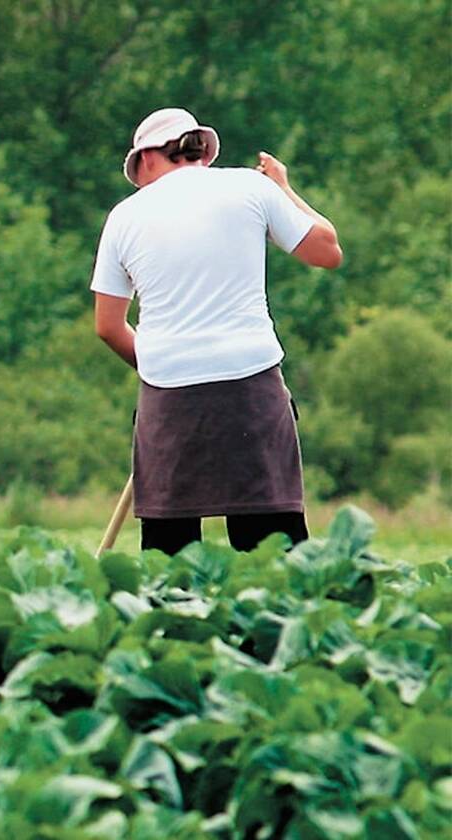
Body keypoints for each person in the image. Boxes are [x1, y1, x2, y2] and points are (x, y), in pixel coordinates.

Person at [90, 107, 343, 555]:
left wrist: (158, 363)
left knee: (170, 555)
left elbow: (108, 326)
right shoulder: (251, 187)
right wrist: (283, 188)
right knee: (269, 547)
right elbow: (327, 250)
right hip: (251, 384)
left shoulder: (124, 216)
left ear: (147, 158)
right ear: (202, 152)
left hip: (168, 395)